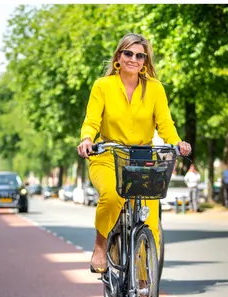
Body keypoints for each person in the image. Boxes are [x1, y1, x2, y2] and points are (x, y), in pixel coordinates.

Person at [77, 33, 191, 274]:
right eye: (128, 53)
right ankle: (101, 244)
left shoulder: (155, 89)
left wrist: (177, 142)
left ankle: (143, 289)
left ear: (145, 61)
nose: (134, 59)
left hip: (143, 159)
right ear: (119, 56)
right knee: (112, 196)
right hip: (109, 155)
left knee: (150, 222)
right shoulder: (103, 86)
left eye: (140, 55)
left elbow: (165, 124)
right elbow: (92, 121)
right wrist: (87, 139)